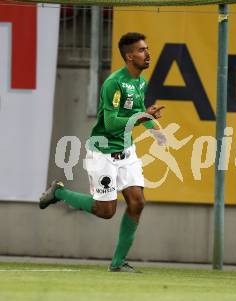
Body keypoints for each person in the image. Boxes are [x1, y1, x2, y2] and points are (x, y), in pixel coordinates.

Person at [39, 32, 164, 273]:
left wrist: (155, 130)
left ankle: (117, 264)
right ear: (129, 56)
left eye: (147, 48)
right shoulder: (113, 84)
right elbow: (111, 122)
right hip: (103, 153)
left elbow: (139, 111)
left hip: (126, 152)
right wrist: (143, 118)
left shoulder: (140, 82)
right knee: (105, 211)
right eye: (141, 50)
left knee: (137, 202)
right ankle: (60, 192)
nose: (147, 53)